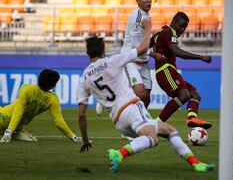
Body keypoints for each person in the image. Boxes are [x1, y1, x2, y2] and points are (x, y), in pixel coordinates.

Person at [77, 19, 214, 173]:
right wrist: (148, 27)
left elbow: (81, 115)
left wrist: (85, 139)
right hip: (131, 108)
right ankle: (119, 153)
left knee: (170, 130)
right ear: (103, 50)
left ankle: (196, 163)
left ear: (88, 53)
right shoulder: (113, 60)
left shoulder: (84, 78)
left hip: (118, 121)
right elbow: (142, 48)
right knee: (152, 139)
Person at [150, 12, 212, 129]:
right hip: (165, 70)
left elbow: (147, 45)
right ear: (173, 22)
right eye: (180, 26)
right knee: (184, 95)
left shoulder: (161, 31)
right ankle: (155, 126)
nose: (182, 29)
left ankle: (192, 118)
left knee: (194, 94)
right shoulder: (169, 32)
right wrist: (200, 57)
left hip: (169, 71)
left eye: (185, 27)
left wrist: (152, 54)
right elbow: (177, 51)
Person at [0, 69, 81, 143]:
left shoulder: (27, 89)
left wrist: (9, 131)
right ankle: (11, 133)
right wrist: (73, 137)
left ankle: (7, 133)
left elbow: (18, 111)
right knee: (31, 139)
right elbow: (59, 121)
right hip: (16, 129)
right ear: (53, 85)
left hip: (3, 119)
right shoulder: (53, 99)